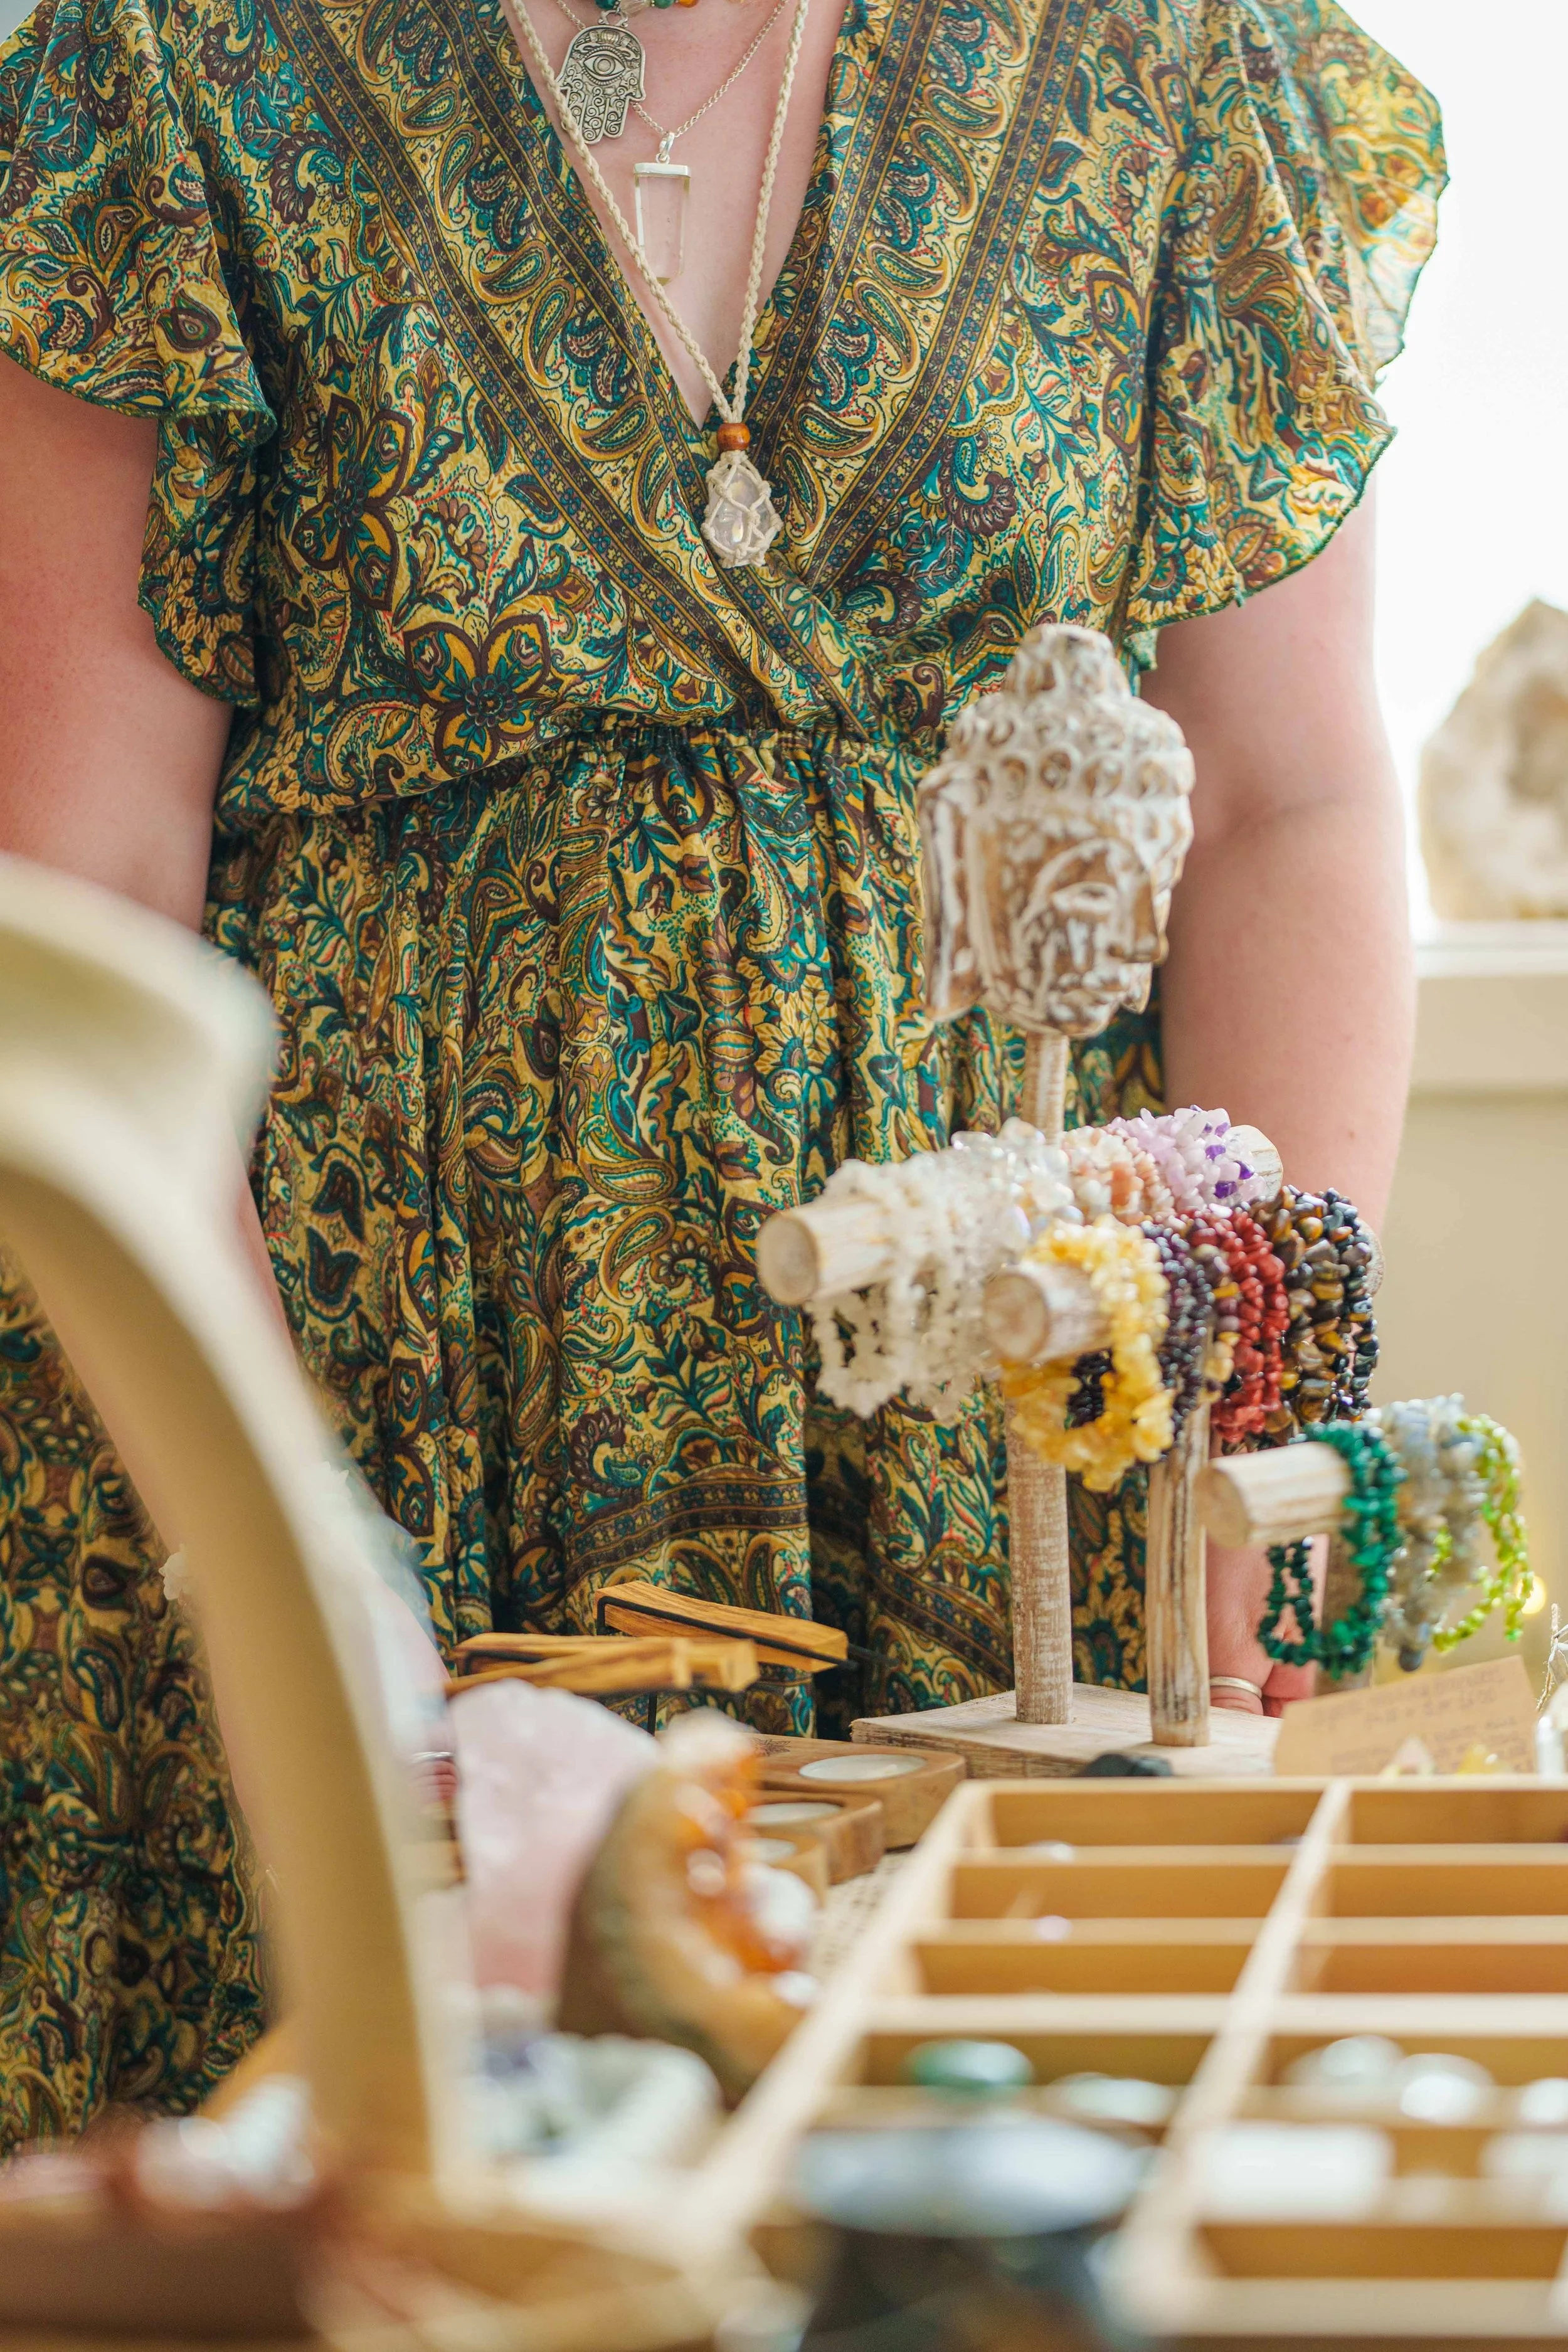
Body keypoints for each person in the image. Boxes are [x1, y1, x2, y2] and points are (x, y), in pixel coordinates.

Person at [0, 0, 1440, 2142]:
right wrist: (271, 1528)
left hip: (1007, 1428)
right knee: (399, 2209)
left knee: (977, 2183)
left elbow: (1285, 804)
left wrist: (1243, 1432)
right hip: (351, 1405)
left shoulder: (1176, 54)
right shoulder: (172, 58)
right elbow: (82, 887)